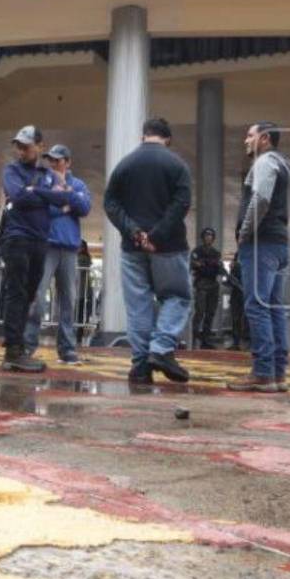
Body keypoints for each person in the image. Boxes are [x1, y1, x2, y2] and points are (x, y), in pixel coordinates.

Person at [103, 117, 193, 385]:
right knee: (177, 296)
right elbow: (182, 203)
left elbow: (110, 203)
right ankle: (162, 348)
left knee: (138, 305)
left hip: (132, 248)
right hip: (169, 247)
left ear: (144, 136)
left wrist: (134, 232)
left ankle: (140, 366)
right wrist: (156, 235)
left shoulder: (125, 164)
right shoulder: (177, 165)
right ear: (168, 139)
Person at [0, 126, 76, 373]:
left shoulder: (47, 174)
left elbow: (64, 199)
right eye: (18, 146)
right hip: (17, 238)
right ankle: (13, 350)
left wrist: (35, 192)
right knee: (17, 293)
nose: (20, 151)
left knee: (30, 295)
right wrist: (46, 195)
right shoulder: (11, 170)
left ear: (40, 146)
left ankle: (18, 349)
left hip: (40, 241)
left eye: (26, 146)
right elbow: (18, 198)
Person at [228, 122, 290, 393]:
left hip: (261, 245)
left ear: (265, 139)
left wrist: (244, 234)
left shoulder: (266, 162)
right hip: (278, 245)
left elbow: (261, 201)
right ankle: (278, 373)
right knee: (273, 308)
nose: (245, 140)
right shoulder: (280, 164)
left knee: (257, 307)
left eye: (250, 135)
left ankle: (263, 372)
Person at [23, 144, 91, 365]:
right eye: (50, 160)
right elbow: (40, 208)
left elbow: (85, 207)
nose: (53, 164)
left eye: (58, 160)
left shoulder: (77, 184)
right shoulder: (42, 181)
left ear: (68, 162)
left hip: (69, 249)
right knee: (38, 297)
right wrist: (63, 206)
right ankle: (28, 345)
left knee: (68, 301)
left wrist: (66, 196)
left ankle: (68, 349)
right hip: (47, 246)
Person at [190, 227, 223, 349]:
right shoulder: (197, 251)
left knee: (210, 313)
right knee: (200, 312)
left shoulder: (216, 253)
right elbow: (195, 264)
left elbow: (218, 268)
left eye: (211, 236)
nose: (208, 238)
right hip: (202, 284)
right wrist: (207, 264)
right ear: (203, 237)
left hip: (213, 284)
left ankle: (205, 339)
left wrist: (205, 264)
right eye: (206, 235)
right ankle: (193, 337)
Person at [223, 253, 247, 349]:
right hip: (246, 294)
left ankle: (236, 342)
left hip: (237, 295)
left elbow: (230, 282)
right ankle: (244, 341)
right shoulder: (249, 265)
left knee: (236, 319)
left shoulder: (236, 265)